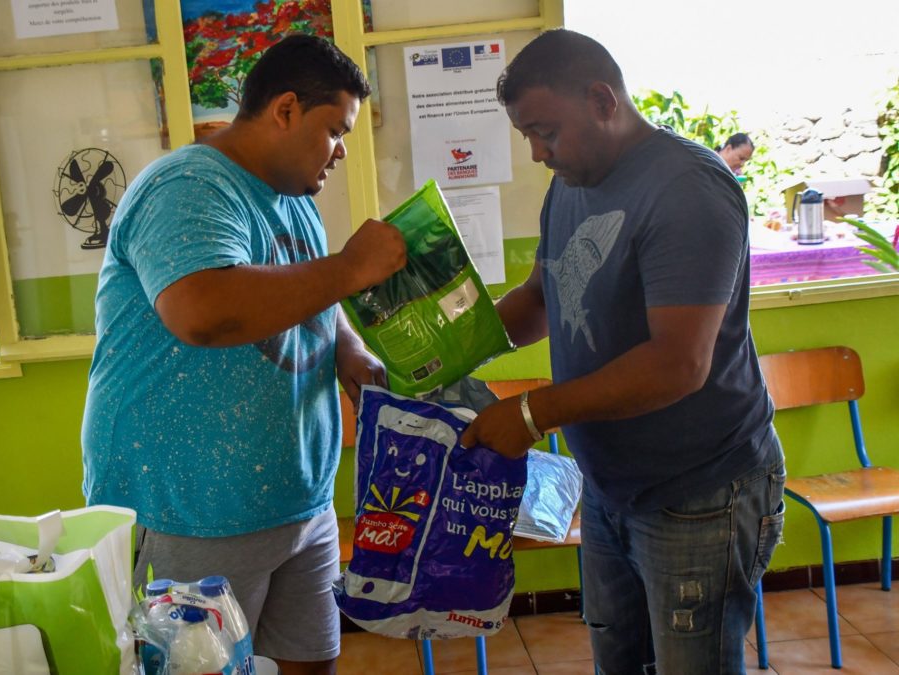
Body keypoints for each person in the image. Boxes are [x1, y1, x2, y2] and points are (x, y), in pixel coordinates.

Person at [460, 30, 785, 674]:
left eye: (545, 131)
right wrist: (445, 354)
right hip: (610, 488)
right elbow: (543, 297)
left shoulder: (688, 188)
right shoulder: (573, 181)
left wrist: (530, 415)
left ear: (604, 99)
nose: (536, 153)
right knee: (620, 662)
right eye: (527, 134)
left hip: (699, 493)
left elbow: (679, 363)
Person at [81, 34, 406, 675]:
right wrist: (347, 268)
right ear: (285, 109)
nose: (340, 151)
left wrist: (350, 349)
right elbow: (202, 310)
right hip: (187, 512)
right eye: (334, 130)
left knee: (312, 662)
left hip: (298, 504)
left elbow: (308, 293)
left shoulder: (292, 198)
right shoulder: (188, 186)